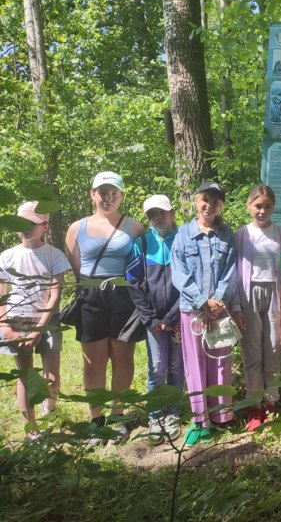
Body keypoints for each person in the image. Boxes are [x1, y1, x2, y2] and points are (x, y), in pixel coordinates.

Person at [65, 172, 145, 444]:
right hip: (91, 297)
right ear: (92, 194)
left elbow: (141, 263)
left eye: (114, 193)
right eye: (102, 192)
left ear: (122, 196)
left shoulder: (133, 227)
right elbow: (77, 268)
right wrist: (92, 287)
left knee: (123, 357)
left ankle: (119, 416)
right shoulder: (77, 228)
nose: (108, 198)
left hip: (124, 297)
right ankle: (96, 420)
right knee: (94, 361)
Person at [171, 181, 242, 446]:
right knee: (195, 365)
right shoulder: (183, 234)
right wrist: (203, 301)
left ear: (221, 204)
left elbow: (230, 270)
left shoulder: (227, 234)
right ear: (196, 201)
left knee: (220, 360)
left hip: (219, 310)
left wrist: (218, 301)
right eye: (205, 199)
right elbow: (178, 274)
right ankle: (201, 420)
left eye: (215, 200)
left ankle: (223, 416)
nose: (209, 205)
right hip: (193, 310)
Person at [0, 202, 70, 439]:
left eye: (32, 223)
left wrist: (39, 330)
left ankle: (48, 409)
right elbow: (1, 294)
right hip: (17, 321)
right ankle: (32, 431)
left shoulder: (54, 255)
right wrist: (5, 326)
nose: (25, 228)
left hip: (47, 321)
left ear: (45, 226)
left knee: (52, 377)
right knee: (25, 376)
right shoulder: (7, 257)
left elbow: (55, 295)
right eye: (21, 222)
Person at [126, 194, 182, 445]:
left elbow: (192, 280)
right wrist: (150, 319)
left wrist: (173, 316)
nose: (157, 218)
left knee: (177, 367)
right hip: (153, 320)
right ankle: (155, 415)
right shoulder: (142, 243)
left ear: (171, 212)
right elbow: (133, 282)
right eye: (151, 214)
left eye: (161, 212)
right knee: (157, 367)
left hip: (180, 316)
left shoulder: (183, 239)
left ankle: (174, 413)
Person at [236, 185, 281, 432]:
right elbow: (232, 272)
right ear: (249, 206)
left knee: (273, 350)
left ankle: (271, 403)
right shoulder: (241, 235)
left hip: (275, 295)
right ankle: (254, 405)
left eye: (267, 206)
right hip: (249, 296)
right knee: (252, 353)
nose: (262, 211)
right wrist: (236, 305)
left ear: (273, 207)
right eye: (257, 206)